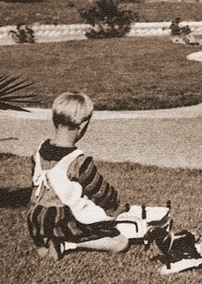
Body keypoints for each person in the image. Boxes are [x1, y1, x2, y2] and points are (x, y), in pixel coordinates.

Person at [27, 92, 129, 260]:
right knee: (120, 242)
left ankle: (44, 243)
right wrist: (115, 207)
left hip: (35, 216)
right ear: (83, 125)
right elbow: (101, 192)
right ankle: (67, 244)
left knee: (44, 253)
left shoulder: (38, 151)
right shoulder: (78, 161)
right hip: (60, 217)